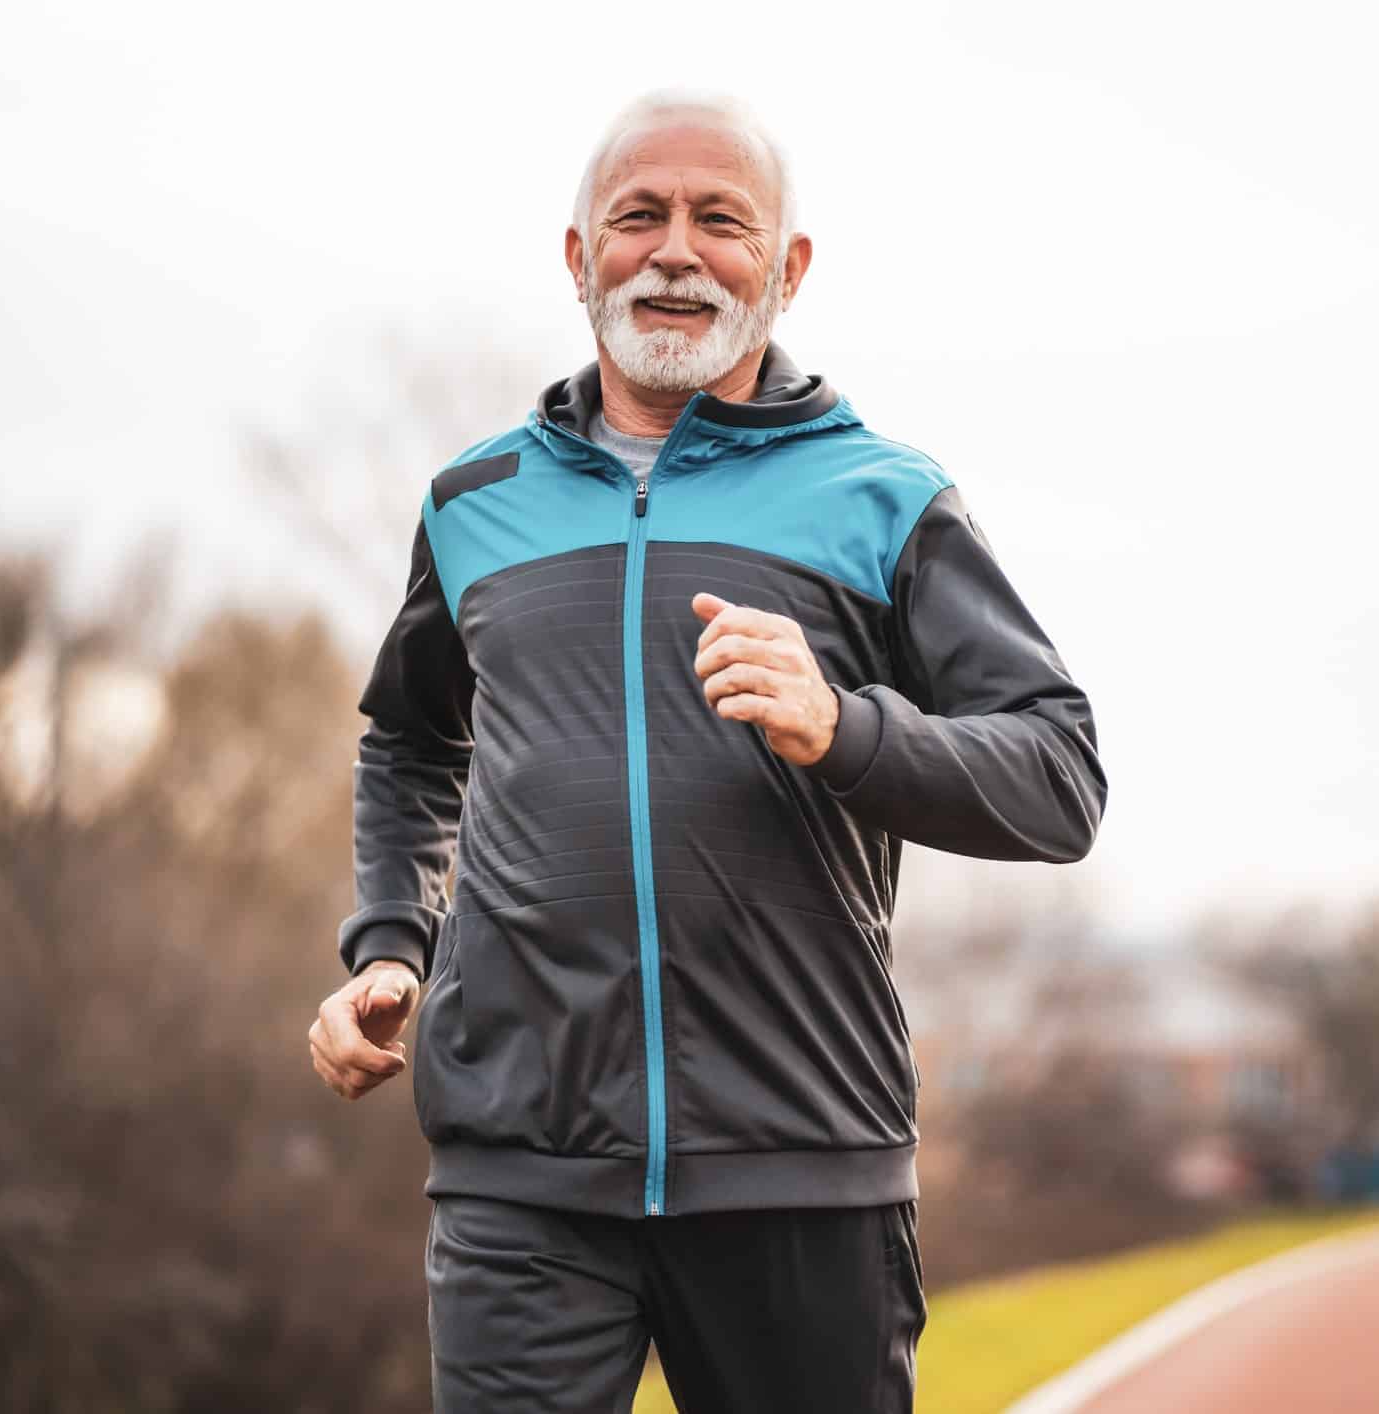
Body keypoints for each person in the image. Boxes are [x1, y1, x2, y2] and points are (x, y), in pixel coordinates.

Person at [308, 87, 1107, 1413]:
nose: (674, 251)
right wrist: (391, 942)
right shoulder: (472, 504)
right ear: (581, 259)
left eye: (721, 221)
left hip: (801, 1165)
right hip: (519, 1174)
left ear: (786, 269)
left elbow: (1059, 777)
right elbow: (408, 739)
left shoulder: (884, 497)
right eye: (638, 217)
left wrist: (841, 728)